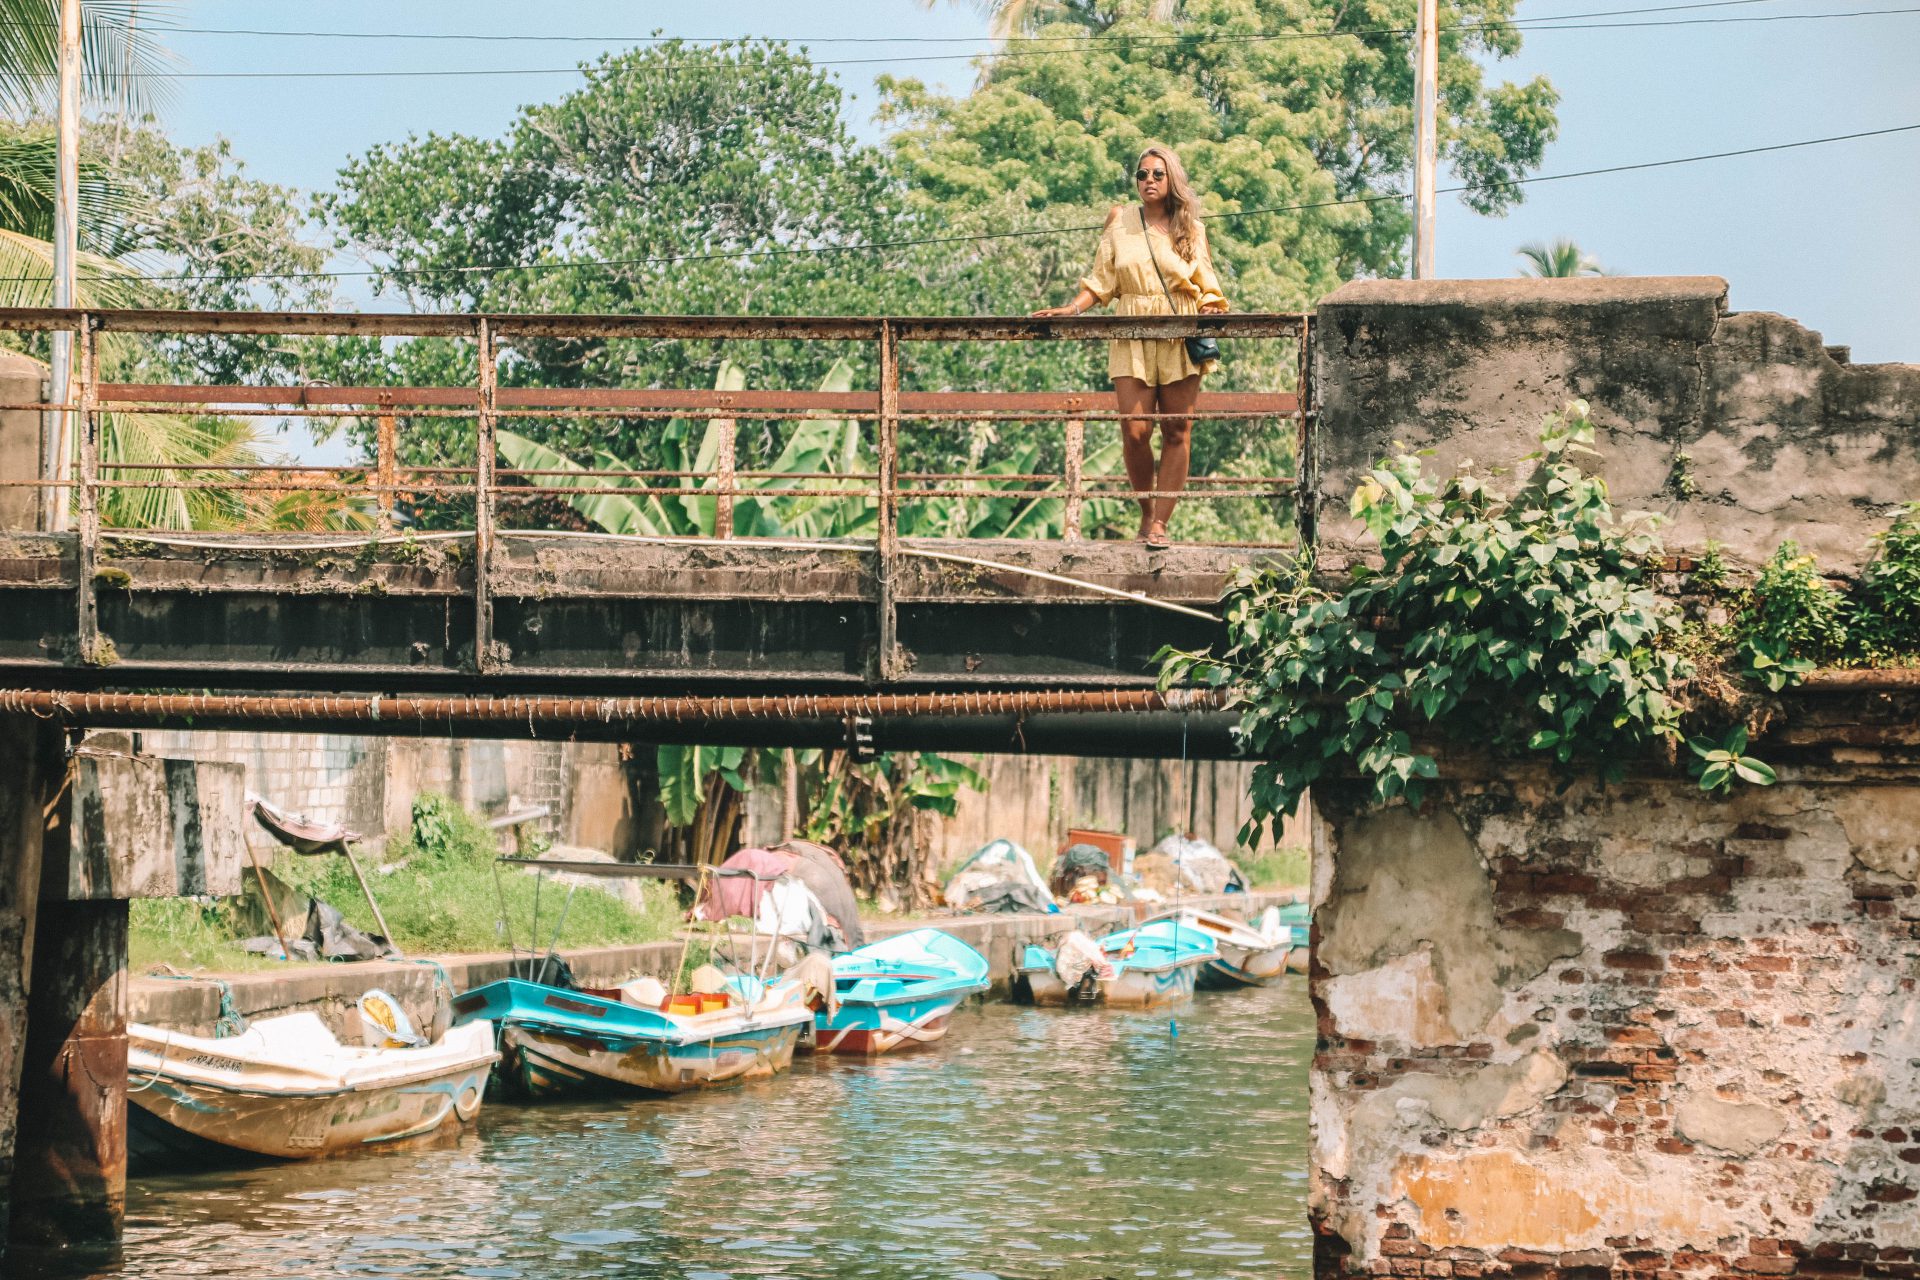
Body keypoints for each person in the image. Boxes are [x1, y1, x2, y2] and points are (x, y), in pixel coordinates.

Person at [1033, 144, 1228, 549]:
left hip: (1178, 331)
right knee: (1135, 430)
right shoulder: (1120, 220)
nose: (1149, 181)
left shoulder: (1189, 225)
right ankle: (1145, 512)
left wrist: (1210, 303)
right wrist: (1072, 308)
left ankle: (1160, 523)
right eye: (1142, 175)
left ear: (1171, 178)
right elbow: (1102, 280)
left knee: (1177, 429)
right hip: (1131, 329)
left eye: (1157, 174)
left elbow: (1206, 280)